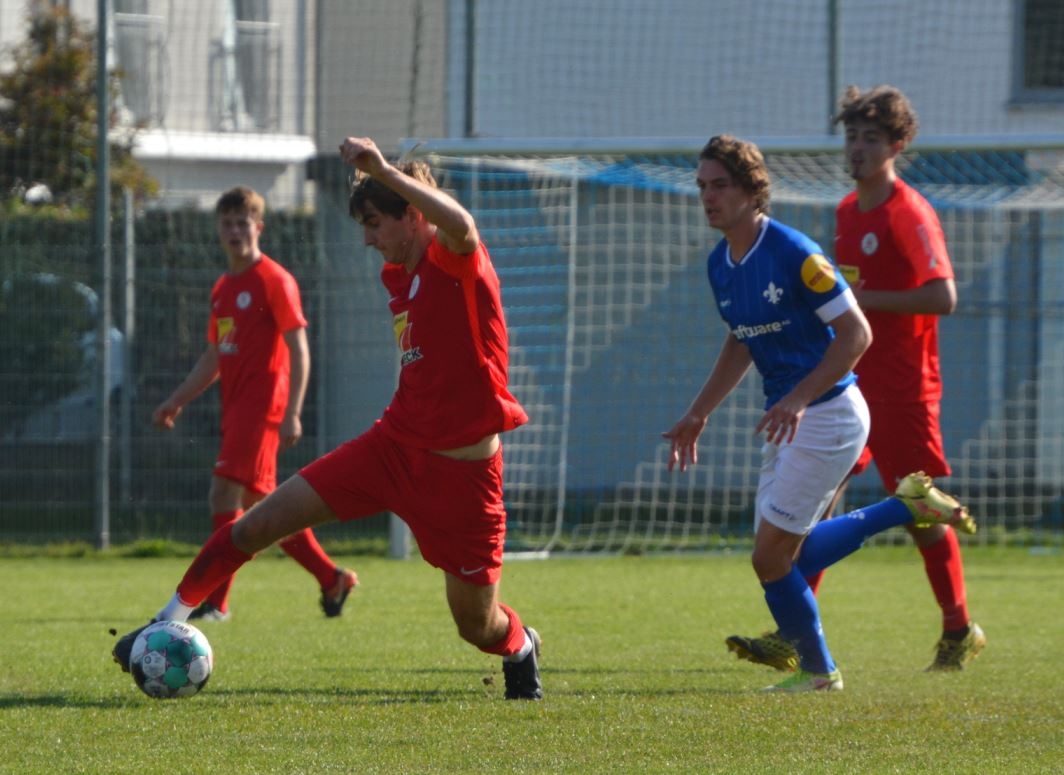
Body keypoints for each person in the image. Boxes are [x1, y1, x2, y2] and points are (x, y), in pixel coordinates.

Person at [114, 139, 543, 700]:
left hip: (463, 480)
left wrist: (384, 170)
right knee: (255, 524)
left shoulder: (455, 260)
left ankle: (521, 646)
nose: (366, 239)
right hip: (392, 449)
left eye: (374, 224)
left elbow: (461, 224)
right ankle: (162, 622)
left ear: (412, 216)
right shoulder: (399, 276)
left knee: (477, 627)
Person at [663, 134, 975, 692]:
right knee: (785, 554)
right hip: (790, 418)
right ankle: (897, 517)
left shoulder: (794, 252)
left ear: (751, 190)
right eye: (703, 186)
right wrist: (698, 412)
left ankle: (820, 666)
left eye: (721, 186)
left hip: (829, 414)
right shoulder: (720, 264)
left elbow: (857, 334)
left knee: (771, 557)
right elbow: (741, 340)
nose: (708, 197)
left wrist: (800, 397)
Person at [152, 185, 357, 622]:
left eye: (242, 223)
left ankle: (216, 602)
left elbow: (298, 348)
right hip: (236, 410)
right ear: (218, 230)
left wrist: (292, 411)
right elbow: (214, 356)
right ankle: (331, 577)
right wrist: (176, 399)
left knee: (223, 492)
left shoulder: (274, 280)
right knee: (266, 507)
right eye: (227, 223)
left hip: (263, 410)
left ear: (258, 228)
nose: (235, 231)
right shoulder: (223, 288)